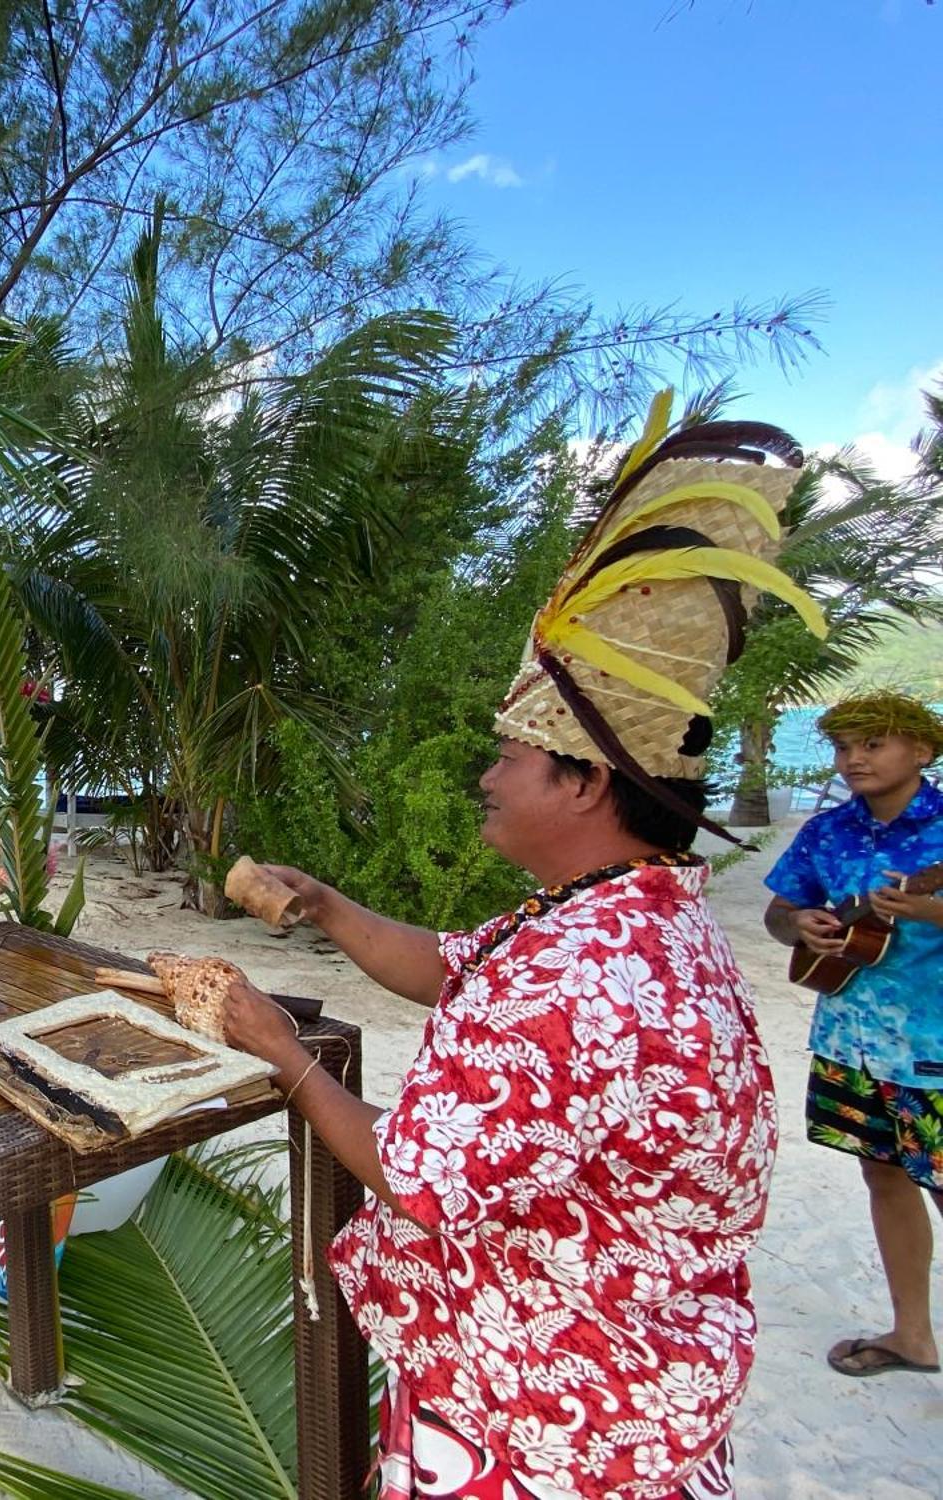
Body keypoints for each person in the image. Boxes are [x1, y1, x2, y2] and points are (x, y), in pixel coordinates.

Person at [222, 400, 823, 1499]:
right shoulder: (621, 910)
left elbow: (413, 1180)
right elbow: (451, 964)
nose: (487, 778)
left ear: (587, 780)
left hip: (551, 1404)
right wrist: (328, 905)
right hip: (635, 1382)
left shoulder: (580, 971)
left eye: (509, 756)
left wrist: (278, 1049)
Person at [762, 690, 943, 1378]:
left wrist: (929, 909)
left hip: (934, 1043)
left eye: (873, 744)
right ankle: (912, 1335)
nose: (854, 759)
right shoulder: (828, 831)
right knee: (884, 1176)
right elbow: (783, 911)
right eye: (843, 748)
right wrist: (800, 925)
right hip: (849, 1038)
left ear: (922, 750)